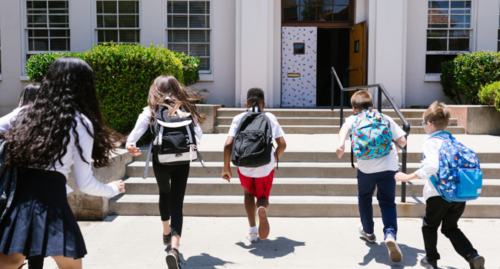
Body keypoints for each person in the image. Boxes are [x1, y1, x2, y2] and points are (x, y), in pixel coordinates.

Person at [0, 56, 125, 269]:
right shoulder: (80, 122)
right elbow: (84, 183)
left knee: (11, 261)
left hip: (18, 201)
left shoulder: (23, 113)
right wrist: (111, 189)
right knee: (70, 265)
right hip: (52, 203)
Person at [126, 75, 204, 269]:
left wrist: (131, 146)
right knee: (177, 203)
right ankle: (174, 249)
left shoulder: (151, 110)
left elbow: (133, 137)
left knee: (164, 193)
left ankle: (166, 231)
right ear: (177, 88)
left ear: (155, 89)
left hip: (161, 160)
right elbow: (199, 137)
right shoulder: (186, 108)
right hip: (182, 160)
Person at [395, 102, 485, 269]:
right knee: (450, 227)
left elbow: (432, 166)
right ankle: (472, 255)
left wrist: (409, 176)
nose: (423, 127)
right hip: (459, 193)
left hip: (438, 193)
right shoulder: (452, 140)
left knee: (429, 226)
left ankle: (431, 260)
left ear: (429, 124)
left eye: (423, 124)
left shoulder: (430, 141)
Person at [336, 90, 407, 262]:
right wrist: (392, 151)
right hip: (389, 167)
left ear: (354, 108)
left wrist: (340, 145)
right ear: (372, 105)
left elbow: (344, 131)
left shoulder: (353, 119)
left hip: (366, 168)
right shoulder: (385, 118)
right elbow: (403, 141)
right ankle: (390, 235)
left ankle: (368, 231)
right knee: (388, 202)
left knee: (365, 197)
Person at [222, 88, 286, 243]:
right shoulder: (269, 117)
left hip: (244, 165)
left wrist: (226, 169)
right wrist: (274, 158)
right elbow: (282, 144)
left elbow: (227, 145)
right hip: (265, 166)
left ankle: (252, 231)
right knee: (263, 197)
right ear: (264, 103)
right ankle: (261, 208)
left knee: (248, 194)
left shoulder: (239, 117)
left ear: (246, 104)